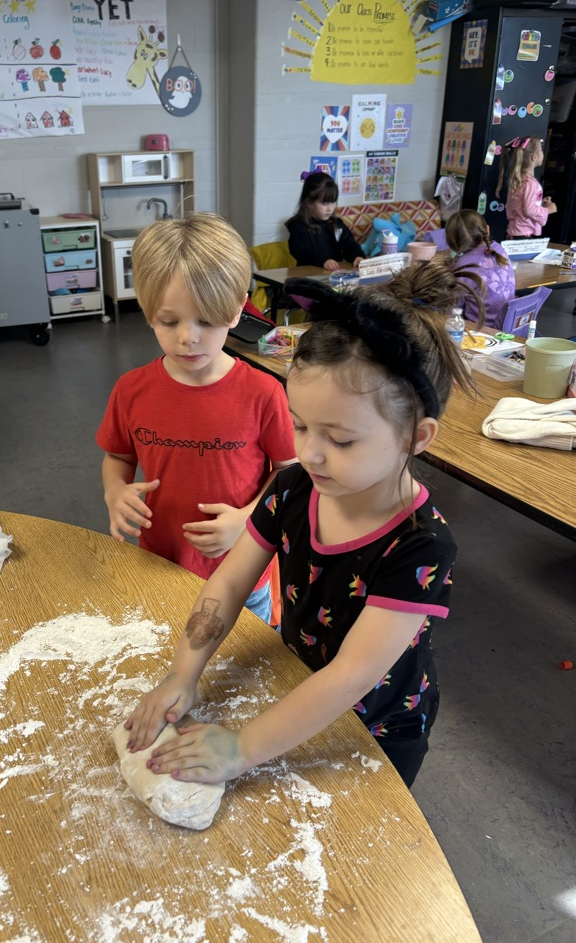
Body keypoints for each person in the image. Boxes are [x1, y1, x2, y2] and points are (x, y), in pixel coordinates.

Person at [123, 257, 483, 790]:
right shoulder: (294, 489)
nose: (309, 453)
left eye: (339, 440)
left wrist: (241, 747)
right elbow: (228, 581)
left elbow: (350, 678)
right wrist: (184, 671)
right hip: (296, 688)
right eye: (299, 425)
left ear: (416, 437)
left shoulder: (420, 546)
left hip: (379, 731)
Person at [96, 212, 296, 625]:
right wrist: (115, 493)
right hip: (160, 566)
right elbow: (118, 457)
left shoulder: (263, 393)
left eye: (206, 320)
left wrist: (248, 519)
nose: (188, 337)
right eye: (170, 321)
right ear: (148, 311)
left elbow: (289, 473)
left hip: (243, 574)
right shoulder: (132, 390)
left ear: (239, 308)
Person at [446, 209, 515, 325]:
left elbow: (453, 310)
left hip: (482, 331)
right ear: (487, 230)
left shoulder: (463, 265)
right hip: (507, 325)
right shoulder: (498, 249)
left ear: (452, 242)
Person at [286, 171, 365, 271]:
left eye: (333, 202)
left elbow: (349, 245)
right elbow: (302, 253)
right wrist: (323, 261)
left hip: (332, 275)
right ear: (309, 202)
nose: (330, 209)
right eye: (324, 203)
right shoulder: (298, 226)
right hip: (308, 276)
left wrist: (357, 256)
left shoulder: (336, 224)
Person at [496, 136, 557, 238]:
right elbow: (529, 211)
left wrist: (539, 203)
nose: (543, 153)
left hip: (514, 232)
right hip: (524, 235)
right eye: (541, 150)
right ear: (534, 157)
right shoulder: (530, 183)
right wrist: (548, 210)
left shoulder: (518, 179)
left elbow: (520, 205)